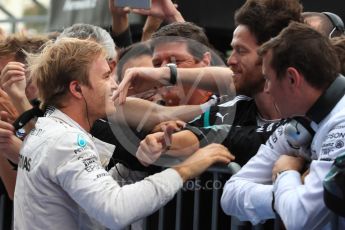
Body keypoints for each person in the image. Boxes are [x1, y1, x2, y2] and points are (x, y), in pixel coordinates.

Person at [13, 37, 233, 229]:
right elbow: (116, 210)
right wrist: (186, 169)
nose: (114, 84)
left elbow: (83, 199)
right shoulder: (66, 140)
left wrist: (129, 172)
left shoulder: (50, 130)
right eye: (106, 76)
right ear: (77, 89)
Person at [221, 22, 345, 229]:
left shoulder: (341, 123)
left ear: (292, 78)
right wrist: (289, 193)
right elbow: (230, 195)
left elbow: (301, 219)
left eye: (268, 79)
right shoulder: (300, 122)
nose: (267, 89)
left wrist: (286, 173)